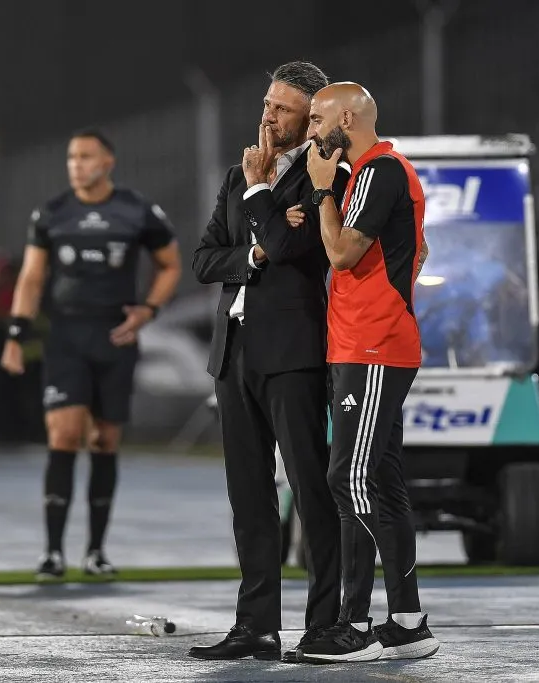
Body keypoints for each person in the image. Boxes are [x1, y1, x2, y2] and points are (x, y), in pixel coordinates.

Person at [187, 62, 348, 663]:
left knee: (310, 489)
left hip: (293, 354)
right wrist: (257, 243)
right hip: (234, 354)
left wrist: (261, 201)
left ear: (310, 119)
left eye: (281, 108)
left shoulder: (322, 175)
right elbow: (206, 259)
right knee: (248, 496)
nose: (267, 115)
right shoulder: (236, 174)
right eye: (266, 102)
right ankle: (255, 626)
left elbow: (292, 248)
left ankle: (324, 625)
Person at [295, 82, 439, 663]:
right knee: (380, 480)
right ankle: (406, 620)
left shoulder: (378, 171)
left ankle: (353, 625)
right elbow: (418, 252)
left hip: (373, 349)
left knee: (346, 479)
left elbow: (341, 254)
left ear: (346, 117)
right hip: (366, 345)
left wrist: (324, 191)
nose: (309, 130)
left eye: (316, 118)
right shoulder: (374, 175)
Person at [0, 128, 182, 581]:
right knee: (63, 435)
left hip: (116, 337)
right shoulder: (52, 213)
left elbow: (170, 264)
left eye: (85, 156)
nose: (76, 164)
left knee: (104, 441)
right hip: (66, 336)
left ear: (107, 162)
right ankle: (52, 552)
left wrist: (149, 310)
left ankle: (96, 551)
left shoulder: (137, 210)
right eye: (71, 157)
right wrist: (16, 333)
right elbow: (31, 277)